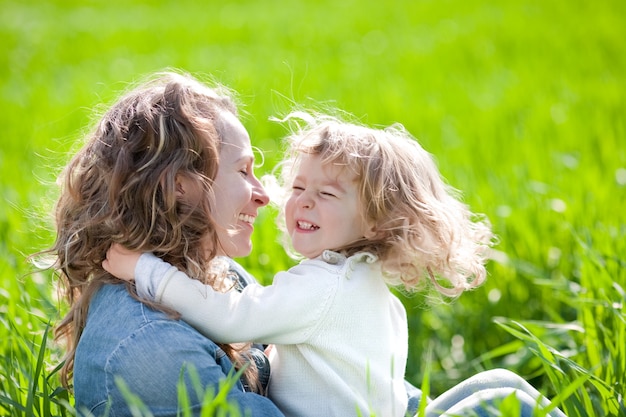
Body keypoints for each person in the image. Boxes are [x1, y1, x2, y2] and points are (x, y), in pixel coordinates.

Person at [105, 112, 566, 417]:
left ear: (378, 221)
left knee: (501, 398)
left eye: (326, 194)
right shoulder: (362, 279)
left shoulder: (322, 286)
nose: (303, 203)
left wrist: (145, 268)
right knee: (502, 388)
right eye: (299, 187)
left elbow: (230, 319)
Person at [43, 70, 285, 416]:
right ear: (178, 185)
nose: (263, 195)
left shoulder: (222, 273)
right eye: (243, 171)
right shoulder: (151, 343)